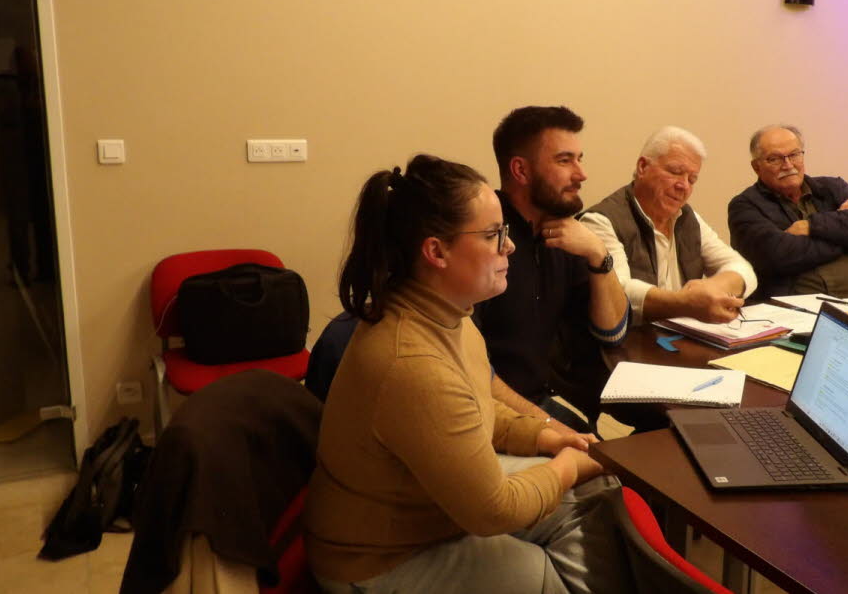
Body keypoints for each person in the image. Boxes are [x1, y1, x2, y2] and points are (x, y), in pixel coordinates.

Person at [303, 155, 630, 594]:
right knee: (542, 568)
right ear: (436, 251)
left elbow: (478, 403)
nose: (509, 247)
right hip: (378, 561)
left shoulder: (448, 316)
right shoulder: (412, 363)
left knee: (597, 492)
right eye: (494, 235)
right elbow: (492, 511)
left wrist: (544, 437)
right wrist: (567, 467)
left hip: (429, 512)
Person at [473, 106, 631, 433]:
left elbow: (613, 331)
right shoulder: (485, 239)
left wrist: (599, 255)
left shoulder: (565, 233)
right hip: (494, 417)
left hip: (548, 403)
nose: (581, 174)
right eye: (564, 160)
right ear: (521, 170)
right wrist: (553, 430)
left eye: (580, 158)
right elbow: (471, 372)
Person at [580, 126, 757, 325]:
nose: (684, 186)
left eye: (692, 179)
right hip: (630, 345)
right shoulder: (601, 221)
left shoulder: (688, 218)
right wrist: (686, 303)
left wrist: (713, 286)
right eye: (675, 172)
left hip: (680, 339)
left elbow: (743, 268)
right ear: (642, 167)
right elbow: (619, 292)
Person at [726, 124, 848, 300]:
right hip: (795, 312)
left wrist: (810, 226)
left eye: (794, 154)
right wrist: (845, 236)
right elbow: (778, 256)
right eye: (775, 159)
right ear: (757, 167)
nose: (788, 164)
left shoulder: (832, 188)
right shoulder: (745, 206)